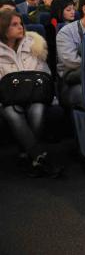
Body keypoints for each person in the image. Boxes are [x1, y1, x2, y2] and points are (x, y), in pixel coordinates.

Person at [0, 11, 62, 177]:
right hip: (7, 97)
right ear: (3, 28)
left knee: (37, 109)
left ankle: (26, 154)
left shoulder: (34, 43)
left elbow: (44, 72)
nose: (20, 27)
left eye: (20, 23)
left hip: (34, 94)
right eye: (14, 24)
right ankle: (38, 155)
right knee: (12, 113)